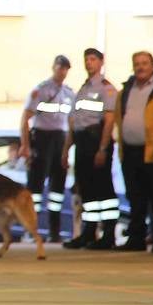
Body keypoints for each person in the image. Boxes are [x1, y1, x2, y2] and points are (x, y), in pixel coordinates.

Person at [115, 51, 153, 252]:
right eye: (137, 63)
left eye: (144, 63)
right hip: (130, 151)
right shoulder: (125, 91)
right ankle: (136, 239)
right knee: (135, 197)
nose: (140, 67)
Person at [62, 48, 120, 249]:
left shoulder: (106, 88)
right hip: (82, 142)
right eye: (86, 59)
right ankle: (89, 232)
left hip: (97, 141)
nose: (89, 63)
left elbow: (110, 120)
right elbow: (73, 122)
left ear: (101, 62)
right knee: (86, 189)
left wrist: (103, 149)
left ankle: (109, 235)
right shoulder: (83, 89)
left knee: (103, 188)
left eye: (93, 59)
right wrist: (66, 149)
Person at [21, 55, 75, 243]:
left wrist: (67, 150)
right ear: (54, 68)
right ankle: (31, 230)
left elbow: (71, 123)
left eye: (65, 68)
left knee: (57, 191)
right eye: (60, 67)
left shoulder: (69, 93)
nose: (62, 71)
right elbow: (25, 118)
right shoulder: (41, 90)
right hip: (41, 139)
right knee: (35, 188)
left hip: (59, 140)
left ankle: (54, 231)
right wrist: (25, 145)